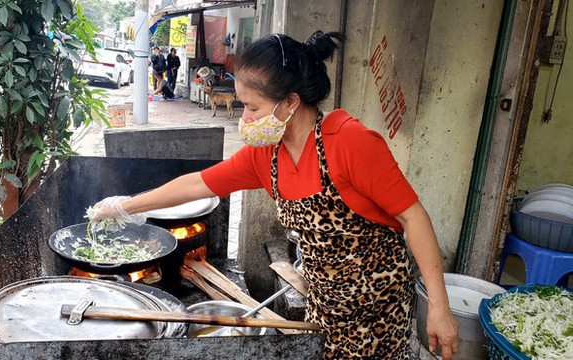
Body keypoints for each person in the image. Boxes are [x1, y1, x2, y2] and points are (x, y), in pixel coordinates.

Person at [91, 31, 459, 359]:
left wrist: (439, 307)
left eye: (253, 107)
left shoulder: (351, 145)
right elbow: (198, 183)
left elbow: (414, 217)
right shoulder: (266, 154)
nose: (245, 118)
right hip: (324, 305)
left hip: (378, 309)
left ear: (290, 102)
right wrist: (125, 205)